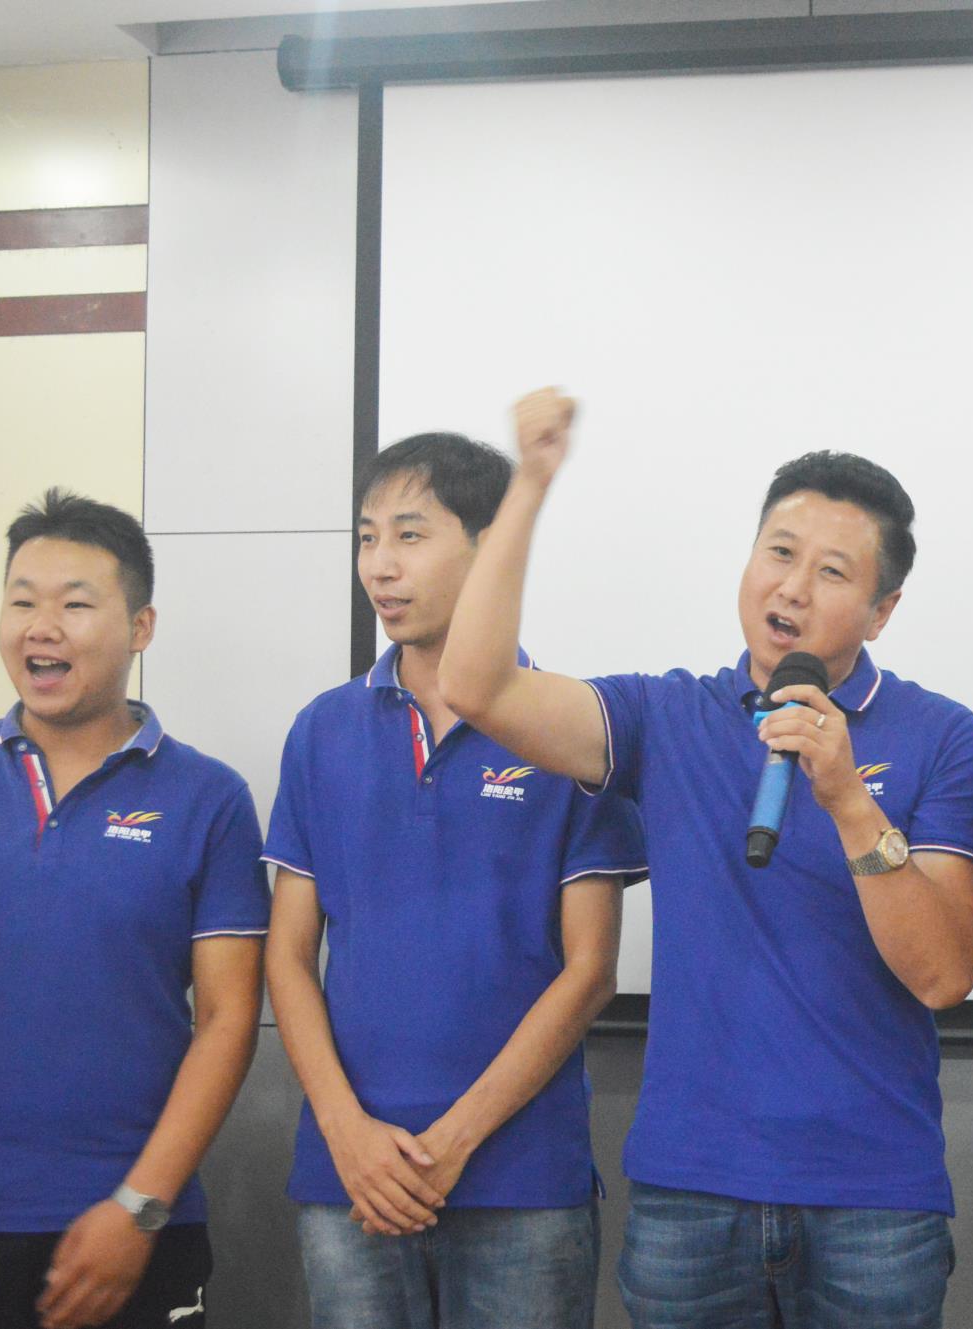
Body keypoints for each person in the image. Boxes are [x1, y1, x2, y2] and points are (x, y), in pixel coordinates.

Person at [437, 389, 973, 1327]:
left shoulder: (940, 733)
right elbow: (476, 685)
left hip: (872, 1194)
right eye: (778, 552)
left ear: (883, 609)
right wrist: (528, 486)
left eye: (831, 571)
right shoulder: (668, 715)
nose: (792, 588)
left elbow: (943, 973)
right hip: (690, 1188)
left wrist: (849, 799)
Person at [0, 489, 268, 1329]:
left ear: (140, 626)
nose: (42, 627)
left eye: (75, 604)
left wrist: (139, 1206)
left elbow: (228, 1017)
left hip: (133, 1225)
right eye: (22, 601)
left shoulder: (209, 797)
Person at [262, 432, 644, 1329]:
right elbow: (286, 955)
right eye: (367, 538)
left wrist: (454, 1140)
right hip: (352, 1176)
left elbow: (590, 968)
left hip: (521, 1180)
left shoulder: (563, 725)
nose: (380, 565)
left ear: (488, 548)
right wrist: (348, 1133)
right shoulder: (322, 729)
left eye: (410, 535)